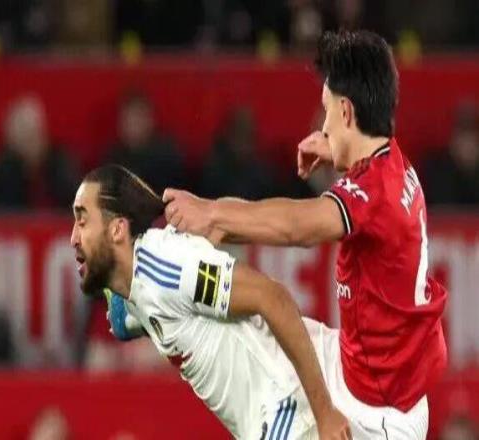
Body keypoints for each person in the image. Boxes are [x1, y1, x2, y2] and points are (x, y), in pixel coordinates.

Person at [163, 30, 447, 439]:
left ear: (346, 112)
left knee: (247, 351)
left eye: (327, 110)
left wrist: (213, 214)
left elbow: (298, 227)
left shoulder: (374, 192)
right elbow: (368, 183)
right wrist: (339, 150)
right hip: (371, 374)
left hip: (375, 414)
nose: (324, 124)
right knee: (259, 325)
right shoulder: (392, 163)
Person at [70, 164, 350, 439]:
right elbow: (135, 316)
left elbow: (273, 298)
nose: (73, 238)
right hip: (280, 413)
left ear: (117, 230)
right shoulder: (137, 292)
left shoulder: (167, 266)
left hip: (293, 406)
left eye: (82, 221)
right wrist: (123, 319)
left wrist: (324, 413)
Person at [0, 96, 77, 210]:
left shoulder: (60, 163)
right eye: (23, 137)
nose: (29, 144)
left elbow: (74, 203)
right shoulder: (3, 170)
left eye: (32, 135)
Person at [103, 92, 186, 195]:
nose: (134, 126)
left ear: (150, 120)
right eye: (129, 120)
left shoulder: (167, 156)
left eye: (138, 118)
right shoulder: (113, 159)